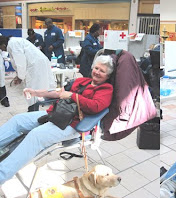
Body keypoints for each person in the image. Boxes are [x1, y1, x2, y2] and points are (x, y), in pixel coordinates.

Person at [0, 55, 114, 184]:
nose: (97, 72)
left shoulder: (106, 89)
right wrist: (36, 92)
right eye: (97, 68)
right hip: (55, 114)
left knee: (35, 136)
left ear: (108, 76)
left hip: (74, 124)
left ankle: (2, 174)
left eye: (102, 71)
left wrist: (72, 95)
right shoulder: (82, 81)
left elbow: (96, 107)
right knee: (18, 120)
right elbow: (59, 92)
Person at [0, 36, 56, 112]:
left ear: (3, 45)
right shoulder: (14, 42)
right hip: (36, 64)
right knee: (36, 89)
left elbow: (20, 62)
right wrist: (19, 75)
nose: (2, 50)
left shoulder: (13, 44)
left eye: (1, 48)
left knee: (33, 90)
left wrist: (20, 77)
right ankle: (33, 109)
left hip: (36, 65)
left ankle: (33, 111)